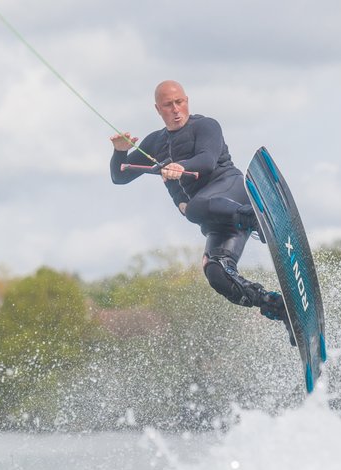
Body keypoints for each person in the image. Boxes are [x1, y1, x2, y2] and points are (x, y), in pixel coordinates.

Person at [108, 80, 291, 337]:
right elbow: (120, 177)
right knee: (215, 271)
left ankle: (260, 220)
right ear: (157, 109)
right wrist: (119, 152)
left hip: (232, 193)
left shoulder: (205, 125)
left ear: (187, 101)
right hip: (215, 219)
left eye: (179, 102)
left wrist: (180, 167)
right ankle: (276, 306)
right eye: (168, 105)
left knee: (193, 209)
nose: (175, 109)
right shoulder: (154, 143)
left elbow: (206, 160)